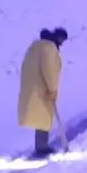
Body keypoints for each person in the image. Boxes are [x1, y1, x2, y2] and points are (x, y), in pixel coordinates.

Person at [18, 27, 68, 158]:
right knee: (44, 116)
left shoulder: (35, 47)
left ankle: (40, 145)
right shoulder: (49, 48)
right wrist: (52, 88)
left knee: (41, 117)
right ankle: (42, 147)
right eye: (62, 40)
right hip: (43, 88)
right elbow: (50, 70)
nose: (62, 43)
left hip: (34, 87)